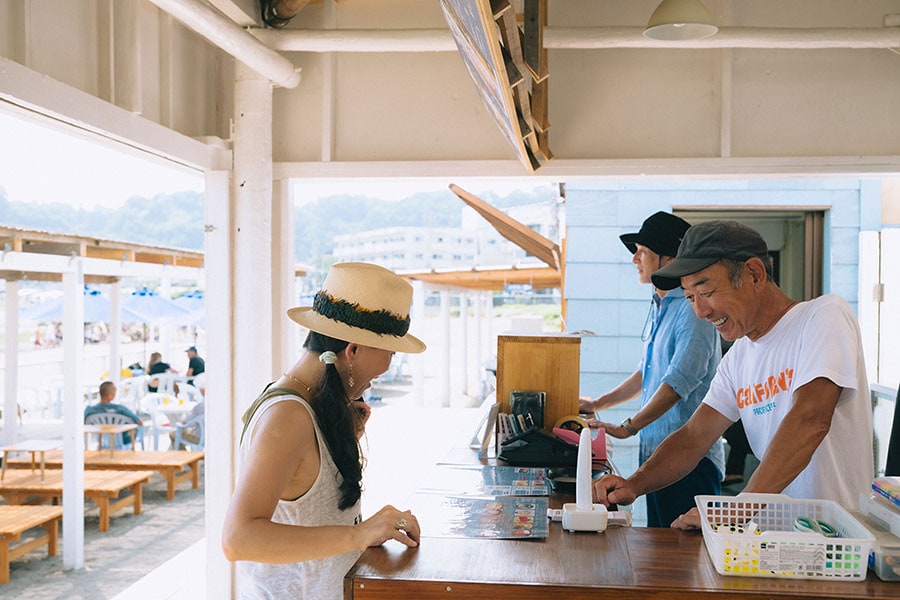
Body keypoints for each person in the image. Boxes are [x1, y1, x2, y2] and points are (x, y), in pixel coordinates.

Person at [592, 220, 874, 529]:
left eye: (707, 291)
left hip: (838, 546)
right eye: (689, 297)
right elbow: (693, 437)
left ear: (754, 274)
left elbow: (810, 419)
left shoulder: (823, 316)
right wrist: (634, 484)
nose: (700, 311)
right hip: (772, 545)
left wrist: (734, 511)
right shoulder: (738, 357)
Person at [222, 262, 425, 599]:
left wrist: (339, 443)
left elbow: (304, 505)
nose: (387, 367)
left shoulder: (312, 408)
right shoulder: (287, 416)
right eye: (389, 351)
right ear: (353, 350)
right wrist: (363, 534)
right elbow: (238, 539)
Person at [579, 211, 724, 527]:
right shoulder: (662, 307)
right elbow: (647, 373)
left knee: (682, 564)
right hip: (658, 456)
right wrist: (597, 405)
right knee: (660, 551)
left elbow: (676, 383)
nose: (635, 259)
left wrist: (628, 426)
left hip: (689, 462)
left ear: (669, 259)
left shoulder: (691, 311)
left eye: (642, 251)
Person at [84, 380, 144, 445]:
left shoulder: (89, 410)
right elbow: (139, 422)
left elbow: (84, 423)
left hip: (101, 439)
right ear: (110, 395)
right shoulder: (120, 409)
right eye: (114, 393)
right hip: (123, 440)